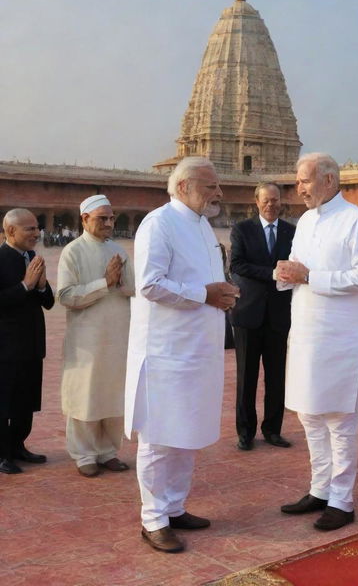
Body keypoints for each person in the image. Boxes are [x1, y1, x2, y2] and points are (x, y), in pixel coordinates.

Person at [124, 157, 240, 553]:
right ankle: (153, 518)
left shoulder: (203, 225)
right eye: (210, 186)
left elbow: (204, 281)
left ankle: (174, 507)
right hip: (166, 352)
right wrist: (205, 295)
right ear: (185, 186)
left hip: (199, 350)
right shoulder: (159, 223)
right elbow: (151, 284)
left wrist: (221, 293)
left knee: (186, 432)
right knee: (158, 436)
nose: (218, 193)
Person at [276, 152, 358, 531]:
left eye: (304, 180)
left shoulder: (354, 220)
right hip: (306, 335)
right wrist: (287, 274)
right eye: (298, 181)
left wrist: (312, 277)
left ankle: (342, 499)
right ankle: (319, 489)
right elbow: (297, 268)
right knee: (310, 416)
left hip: (340, 339)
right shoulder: (304, 221)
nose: (299, 188)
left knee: (339, 421)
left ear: (329, 181)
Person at [57, 195, 134, 477]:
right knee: (86, 396)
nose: (109, 223)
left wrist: (122, 281)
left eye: (111, 218)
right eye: (102, 218)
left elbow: (134, 288)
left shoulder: (119, 250)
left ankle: (108, 451)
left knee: (113, 396)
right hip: (87, 339)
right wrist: (105, 282)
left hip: (118, 336)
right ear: (85, 219)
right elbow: (66, 296)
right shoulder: (72, 252)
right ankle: (84, 454)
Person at [230, 182, 295, 451]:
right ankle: (245, 432)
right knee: (246, 377)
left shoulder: (293, 232)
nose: (271, 205)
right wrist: (270, 273)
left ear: (281, 202)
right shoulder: (242, 229)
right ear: (256, 202)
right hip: (248, 313)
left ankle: (272, 430)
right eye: (266, 200)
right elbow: (236, 265)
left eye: (276, 200)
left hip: (279, 314)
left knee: (277, 376)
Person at [0, 209, 54, 474]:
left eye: (37, 228)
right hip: (6, 347)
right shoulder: (0, 259)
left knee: (25, 401)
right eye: (29, 229)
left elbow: (49, 303)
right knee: (4, 402)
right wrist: (25, 285)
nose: (37, 233)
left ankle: (18, 445)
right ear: (11, 231)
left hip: (32, 344)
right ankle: (2, 454)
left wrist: (42, 286)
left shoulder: (33, 257)